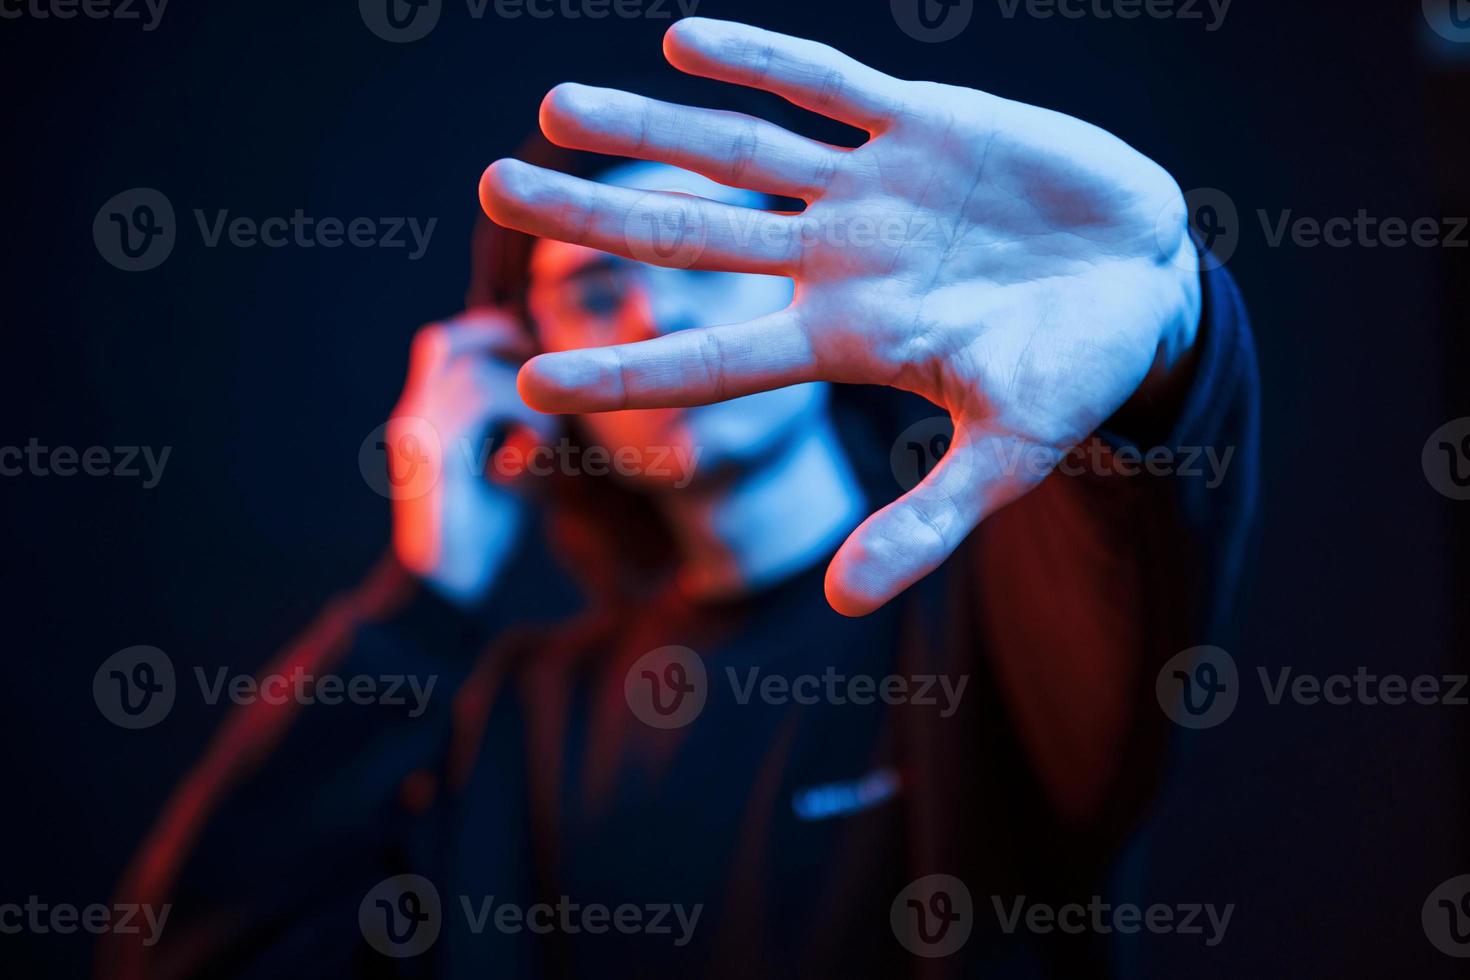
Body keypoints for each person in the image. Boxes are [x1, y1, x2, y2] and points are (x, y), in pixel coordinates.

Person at [103, 17, 1258, 980]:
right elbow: (187, 952)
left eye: (707, 262)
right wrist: (420, 592)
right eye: (598, 290)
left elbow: (1136, 542)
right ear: (521, 366)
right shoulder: (515, 722)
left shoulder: (988, 612)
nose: (656, 317)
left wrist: (1165, 330)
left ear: (821, 269)